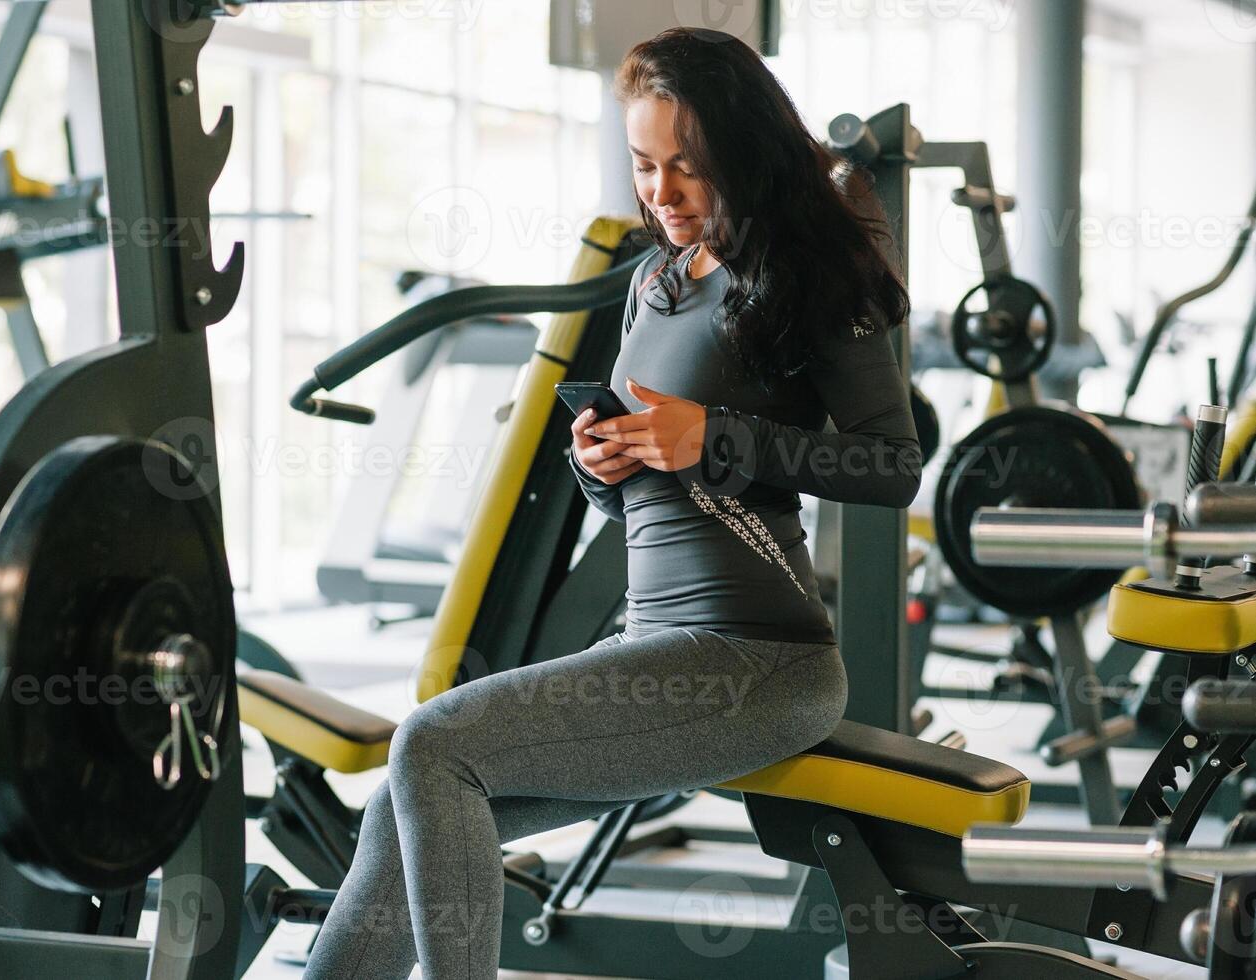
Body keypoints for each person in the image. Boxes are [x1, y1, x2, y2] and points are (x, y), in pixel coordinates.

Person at [303, 26, 920, 980]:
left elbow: (892, 467)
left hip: (761, 662)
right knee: (405, 795)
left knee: (429, 744)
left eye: (688, 168)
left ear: (743, 159)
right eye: (644, 165)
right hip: (649, 644)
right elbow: (630, 502)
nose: (661, 193)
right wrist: (604, 461)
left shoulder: (811, 276)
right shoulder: (654, 283)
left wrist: (712, 436)